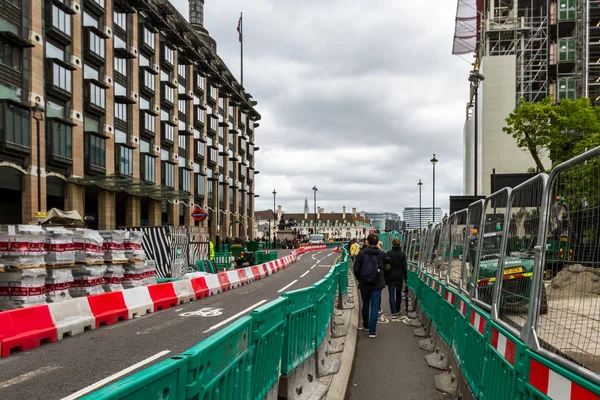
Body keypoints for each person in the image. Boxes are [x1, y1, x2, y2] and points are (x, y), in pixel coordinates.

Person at [353, 234, 391, 338]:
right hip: (377, 283)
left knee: (365, 305)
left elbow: (356, 269)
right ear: (377, 242)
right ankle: (372, 331)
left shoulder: (361, 254)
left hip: (364, 283)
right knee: (375, 306)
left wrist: (360, 279)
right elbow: (388, 261)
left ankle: (365, 325)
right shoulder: (381, 254)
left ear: (367, 242)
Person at [385, 237, 408, 317]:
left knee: (391, 294)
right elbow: (404, 267)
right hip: (399, 276)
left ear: (392, 244)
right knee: (398, 294)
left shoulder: (388, 253)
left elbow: (386, 266)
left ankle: (393, 311)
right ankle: (398, 309)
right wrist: (405, 277)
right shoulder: (402, 254)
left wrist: (386, 275)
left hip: (390, 276)